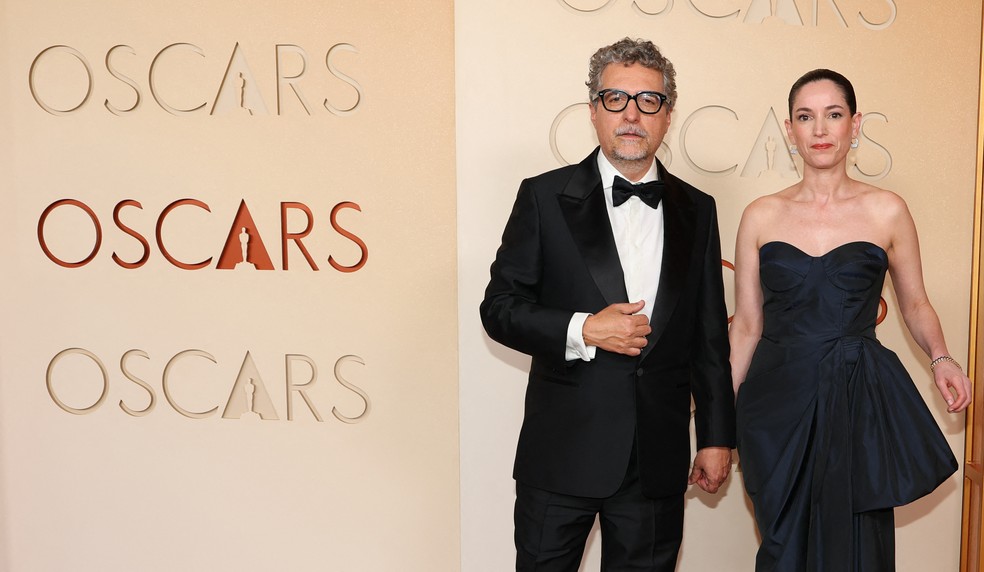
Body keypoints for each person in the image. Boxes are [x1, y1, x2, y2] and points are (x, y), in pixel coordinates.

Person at [480, 38, 735, 571]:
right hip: (561, 455)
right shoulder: (543, 197)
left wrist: (715, 437)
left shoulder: (698, 209)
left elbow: (709, 337)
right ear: (594, 110)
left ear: (667, 115)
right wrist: (583, 330)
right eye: (616, 99)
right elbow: (499, 308)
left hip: (657, 461)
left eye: (649, 101)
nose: (631, 115)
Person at [730, 68, 972, 571]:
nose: (820, 129)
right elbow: (747, 326)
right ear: (790, 129)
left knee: (856, 550)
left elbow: (916, 304)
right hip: (774, 408)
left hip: (857, 395)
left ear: (855, 125)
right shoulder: (760, 215)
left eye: (833, 115)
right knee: (782, 548)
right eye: (805, 117)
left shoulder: (887, 210)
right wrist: (717, 422)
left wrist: (942, 358)